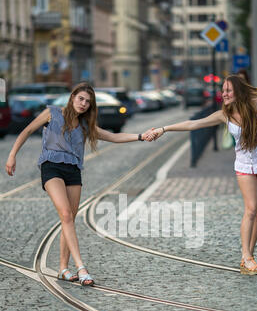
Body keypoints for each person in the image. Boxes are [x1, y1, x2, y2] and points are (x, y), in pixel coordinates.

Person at [6, 82, 154, 286]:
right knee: (66, 214)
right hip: (52, 168)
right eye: (81, 99)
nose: (83, 104)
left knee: (69, 219)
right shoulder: (52, 113)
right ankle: (81, 267)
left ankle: (63, 268)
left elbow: (112, 136)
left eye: (88, 102)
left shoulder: (86, 125)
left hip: (73, 171)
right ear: (73, 97)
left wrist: (140, 136)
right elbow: (27, 130)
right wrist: (12, 156)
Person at [146, 75, 257, 275]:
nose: (224, 94)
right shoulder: (224, 114)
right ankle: (247, 257)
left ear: (238, 92)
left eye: (228, 90)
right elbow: (193, 124)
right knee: (250, 209)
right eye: (223, 91)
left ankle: (248, 256)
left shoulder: (256, 104)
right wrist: (165, 128)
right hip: (244, 166)